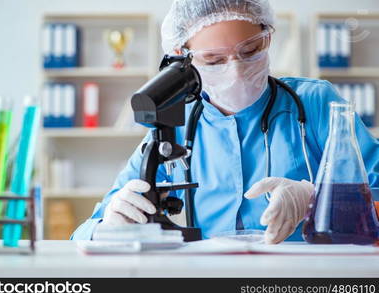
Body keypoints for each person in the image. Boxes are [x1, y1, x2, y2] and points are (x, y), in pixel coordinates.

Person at [71, 0, 379, 244]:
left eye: (250, 51)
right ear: (182, 56)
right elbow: (85, 232)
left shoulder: (314, 102)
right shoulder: (175, 124)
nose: (236, 71)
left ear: (268, 36)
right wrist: (108, 226)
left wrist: (316, 198)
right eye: (214, 60)